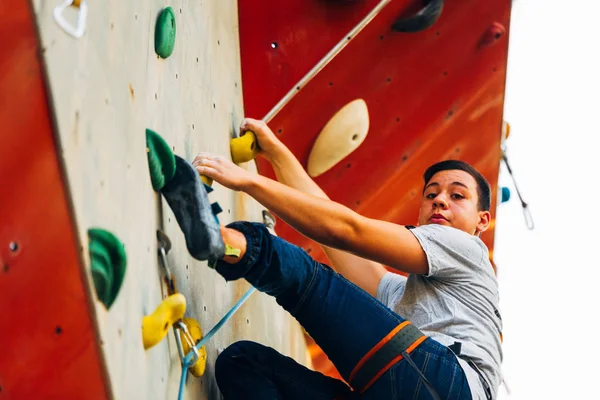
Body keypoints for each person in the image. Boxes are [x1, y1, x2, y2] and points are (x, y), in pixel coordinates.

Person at [192, 118, 502, 400]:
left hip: (453, 385)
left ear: (482, 220)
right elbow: (334, 240)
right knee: (244, 365)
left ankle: (226, 242)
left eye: (457, 196)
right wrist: (276, 155)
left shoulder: (468, 248)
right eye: (431, 195)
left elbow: (347, 230)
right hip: (419, 380)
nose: (440, 201)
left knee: (307, 281)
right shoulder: (402, 297)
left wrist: (247, 182)